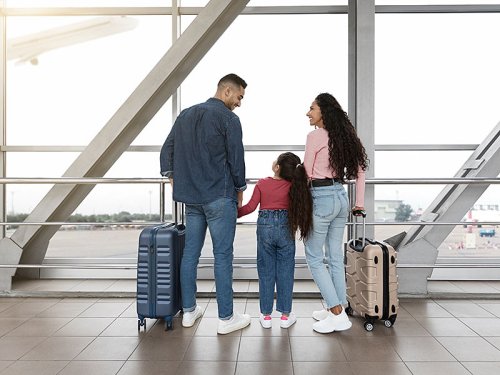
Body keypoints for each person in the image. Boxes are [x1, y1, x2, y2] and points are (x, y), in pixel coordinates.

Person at [160, 73, 251, 335]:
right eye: (239, 96)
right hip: (219, 196)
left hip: (192, 197)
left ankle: (189, 312)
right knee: (222, 256)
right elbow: (236, 157)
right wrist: (240, 188)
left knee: (191, 254)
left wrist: (173, 176)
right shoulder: (228, 119)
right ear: (226, 91)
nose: (239, 102)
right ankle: (226, 318)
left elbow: (167, 150)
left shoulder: (185, 115)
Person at [303, 92, 368, 334]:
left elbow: (307, 173)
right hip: (341, 197)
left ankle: (336, 313)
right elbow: (361, 171)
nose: (308, 113)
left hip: (321, 198)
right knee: (333, 257)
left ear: (323, 112)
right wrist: (358, 202)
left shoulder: (315, 136)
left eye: (312, 108)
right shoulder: (345, 138)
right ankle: (338, 306)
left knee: (313, 256)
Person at [238, 152, 312, 329]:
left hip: (265, 229)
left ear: (277, 167)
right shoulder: (294, 186)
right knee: (286, 271)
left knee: (265, 271)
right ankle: (286, 316)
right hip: (286, 228)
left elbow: (249, 208)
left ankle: (266, 316)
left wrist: (233, 213)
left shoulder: (263, 183)